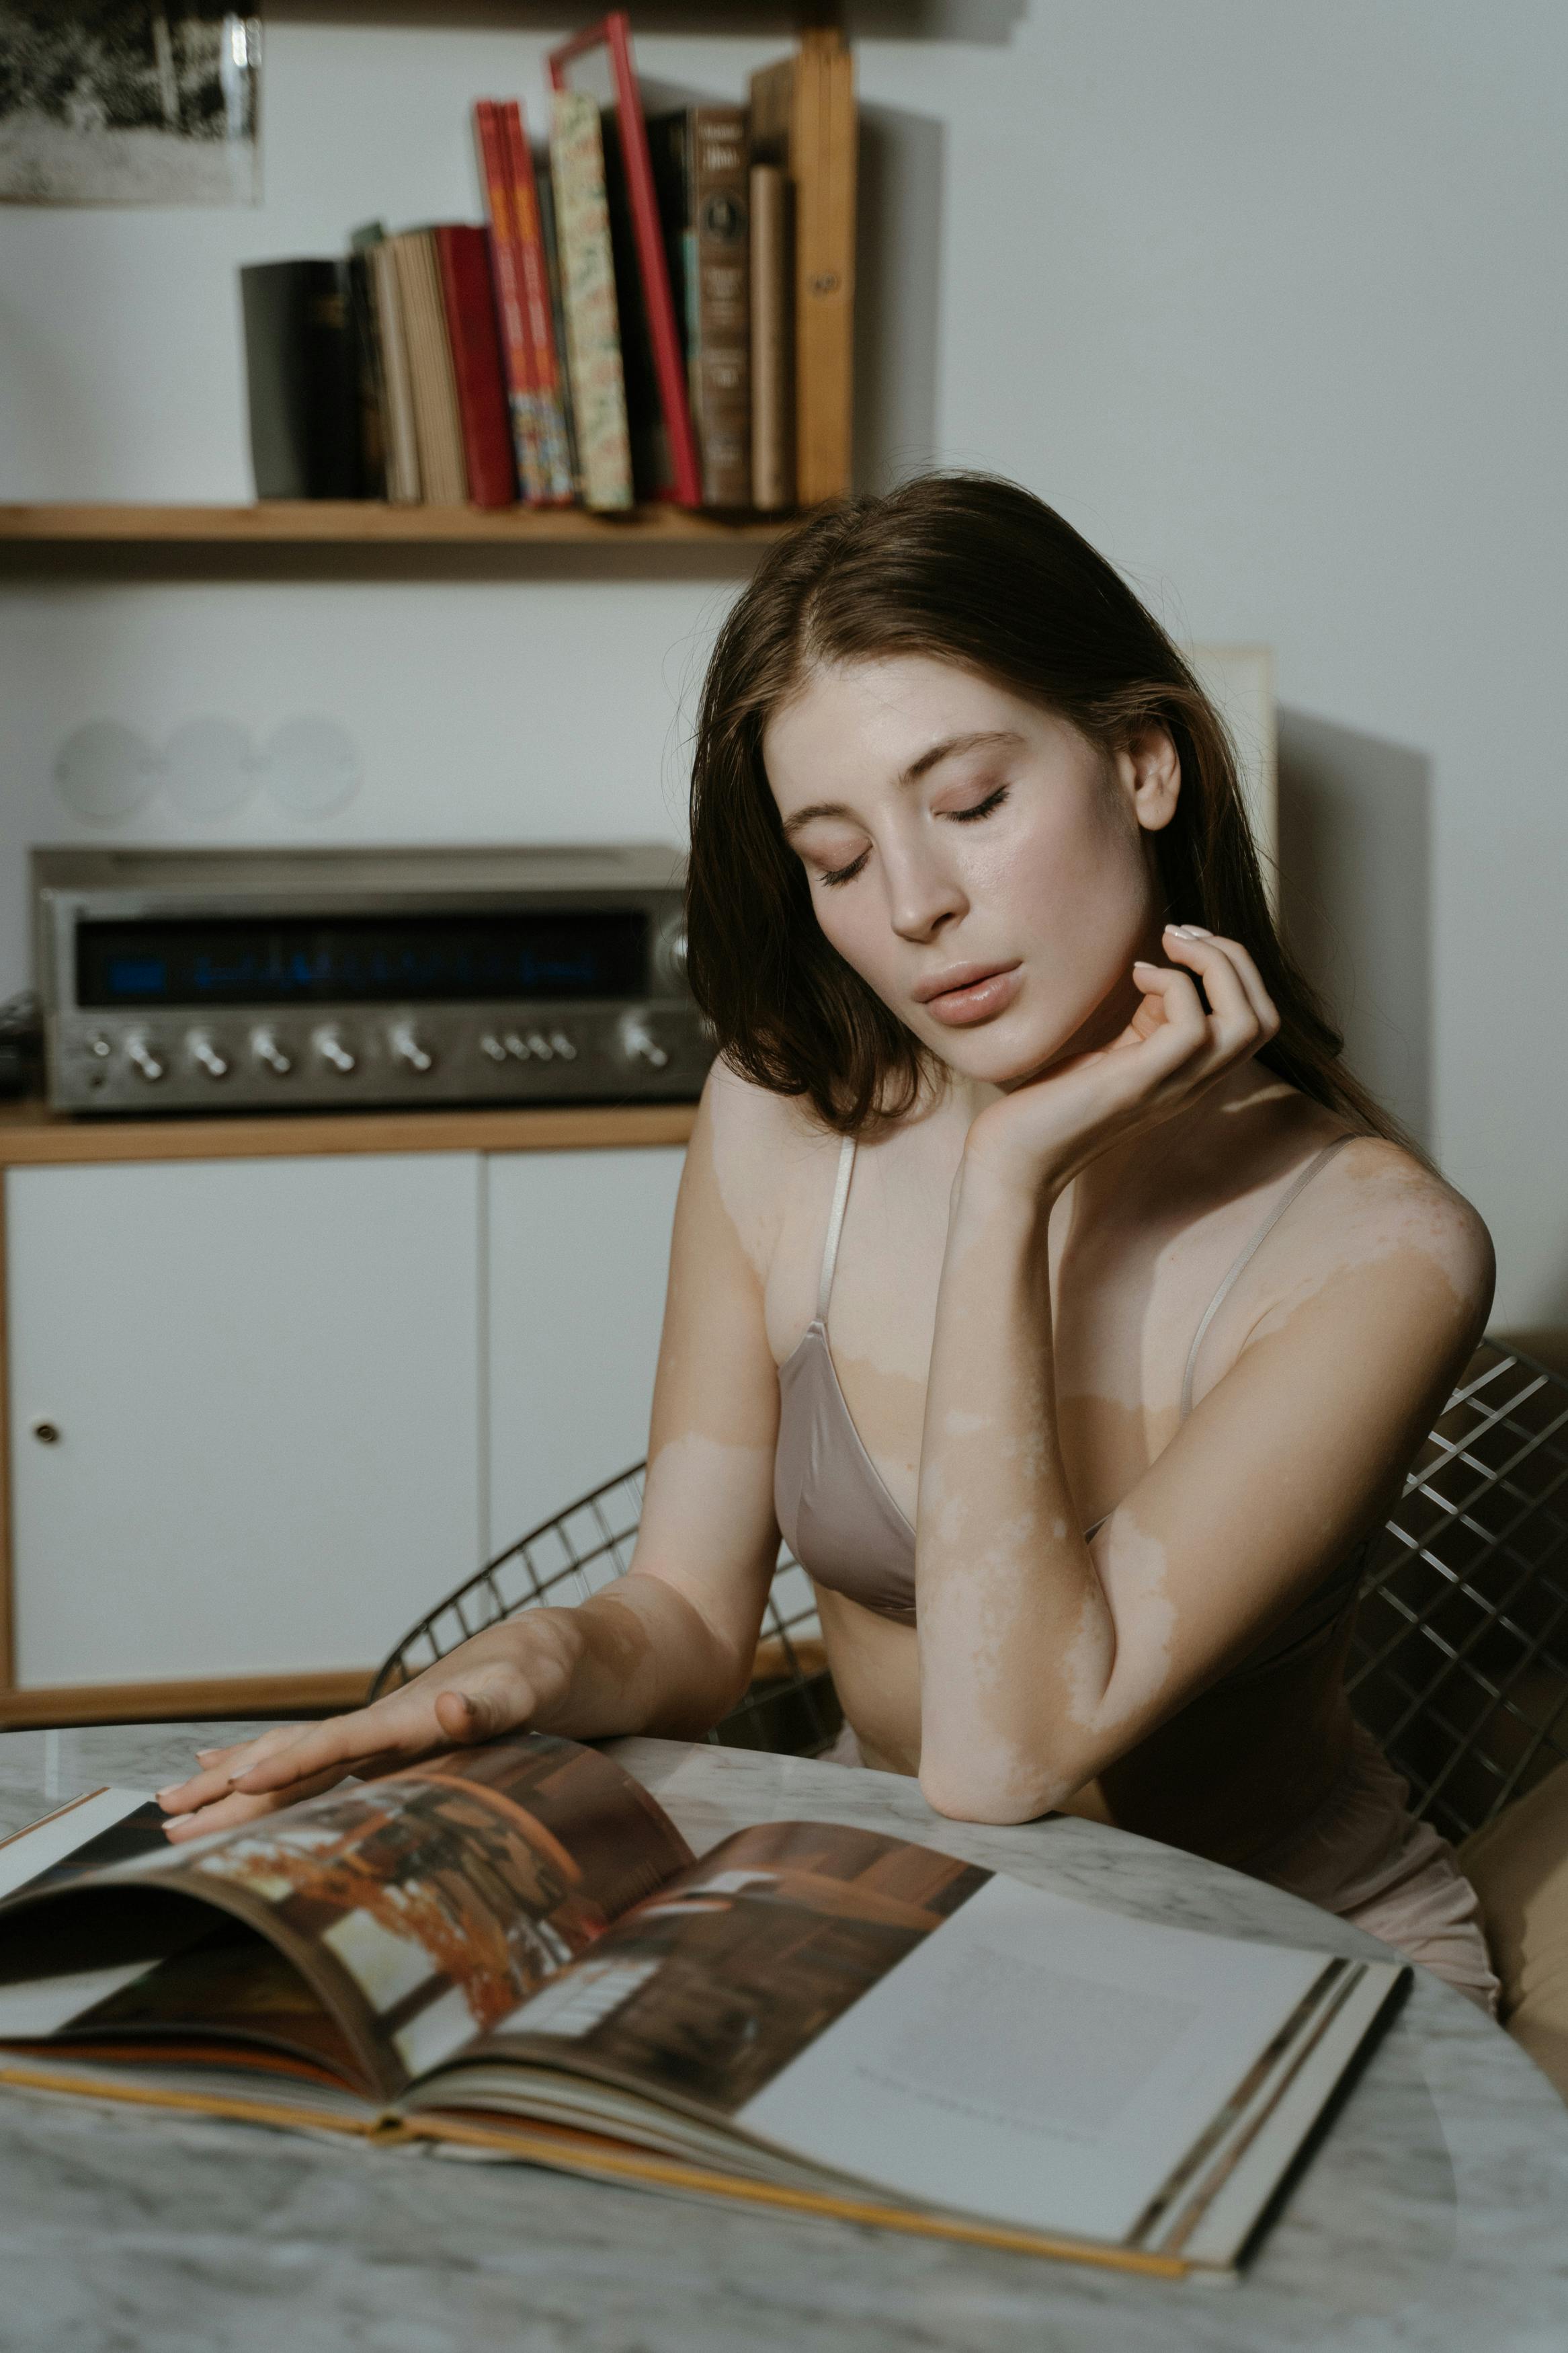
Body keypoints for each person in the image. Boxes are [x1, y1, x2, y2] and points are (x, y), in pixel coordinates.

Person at [159, 475, 1499, 2008]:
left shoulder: (1379, 1246)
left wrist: (1006, 1187)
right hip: (908, 1927)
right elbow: (681, 1613)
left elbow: (1008, 1752)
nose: (917, 906)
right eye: (839, 857)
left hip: (1279, 1959)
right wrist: (509, 1677)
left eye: (973, 802)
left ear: (1142, 762)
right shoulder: (784, 1120)